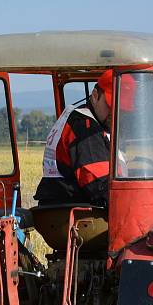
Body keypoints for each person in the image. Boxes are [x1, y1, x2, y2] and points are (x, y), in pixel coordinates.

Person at [34, 69, 116, 208]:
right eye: (110, 105)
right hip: (70, 208)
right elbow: (99, 186)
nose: (114, 112)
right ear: (95, 96)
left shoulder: (80, 119)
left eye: (120, 108)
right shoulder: (85, 127)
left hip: (58, 204)